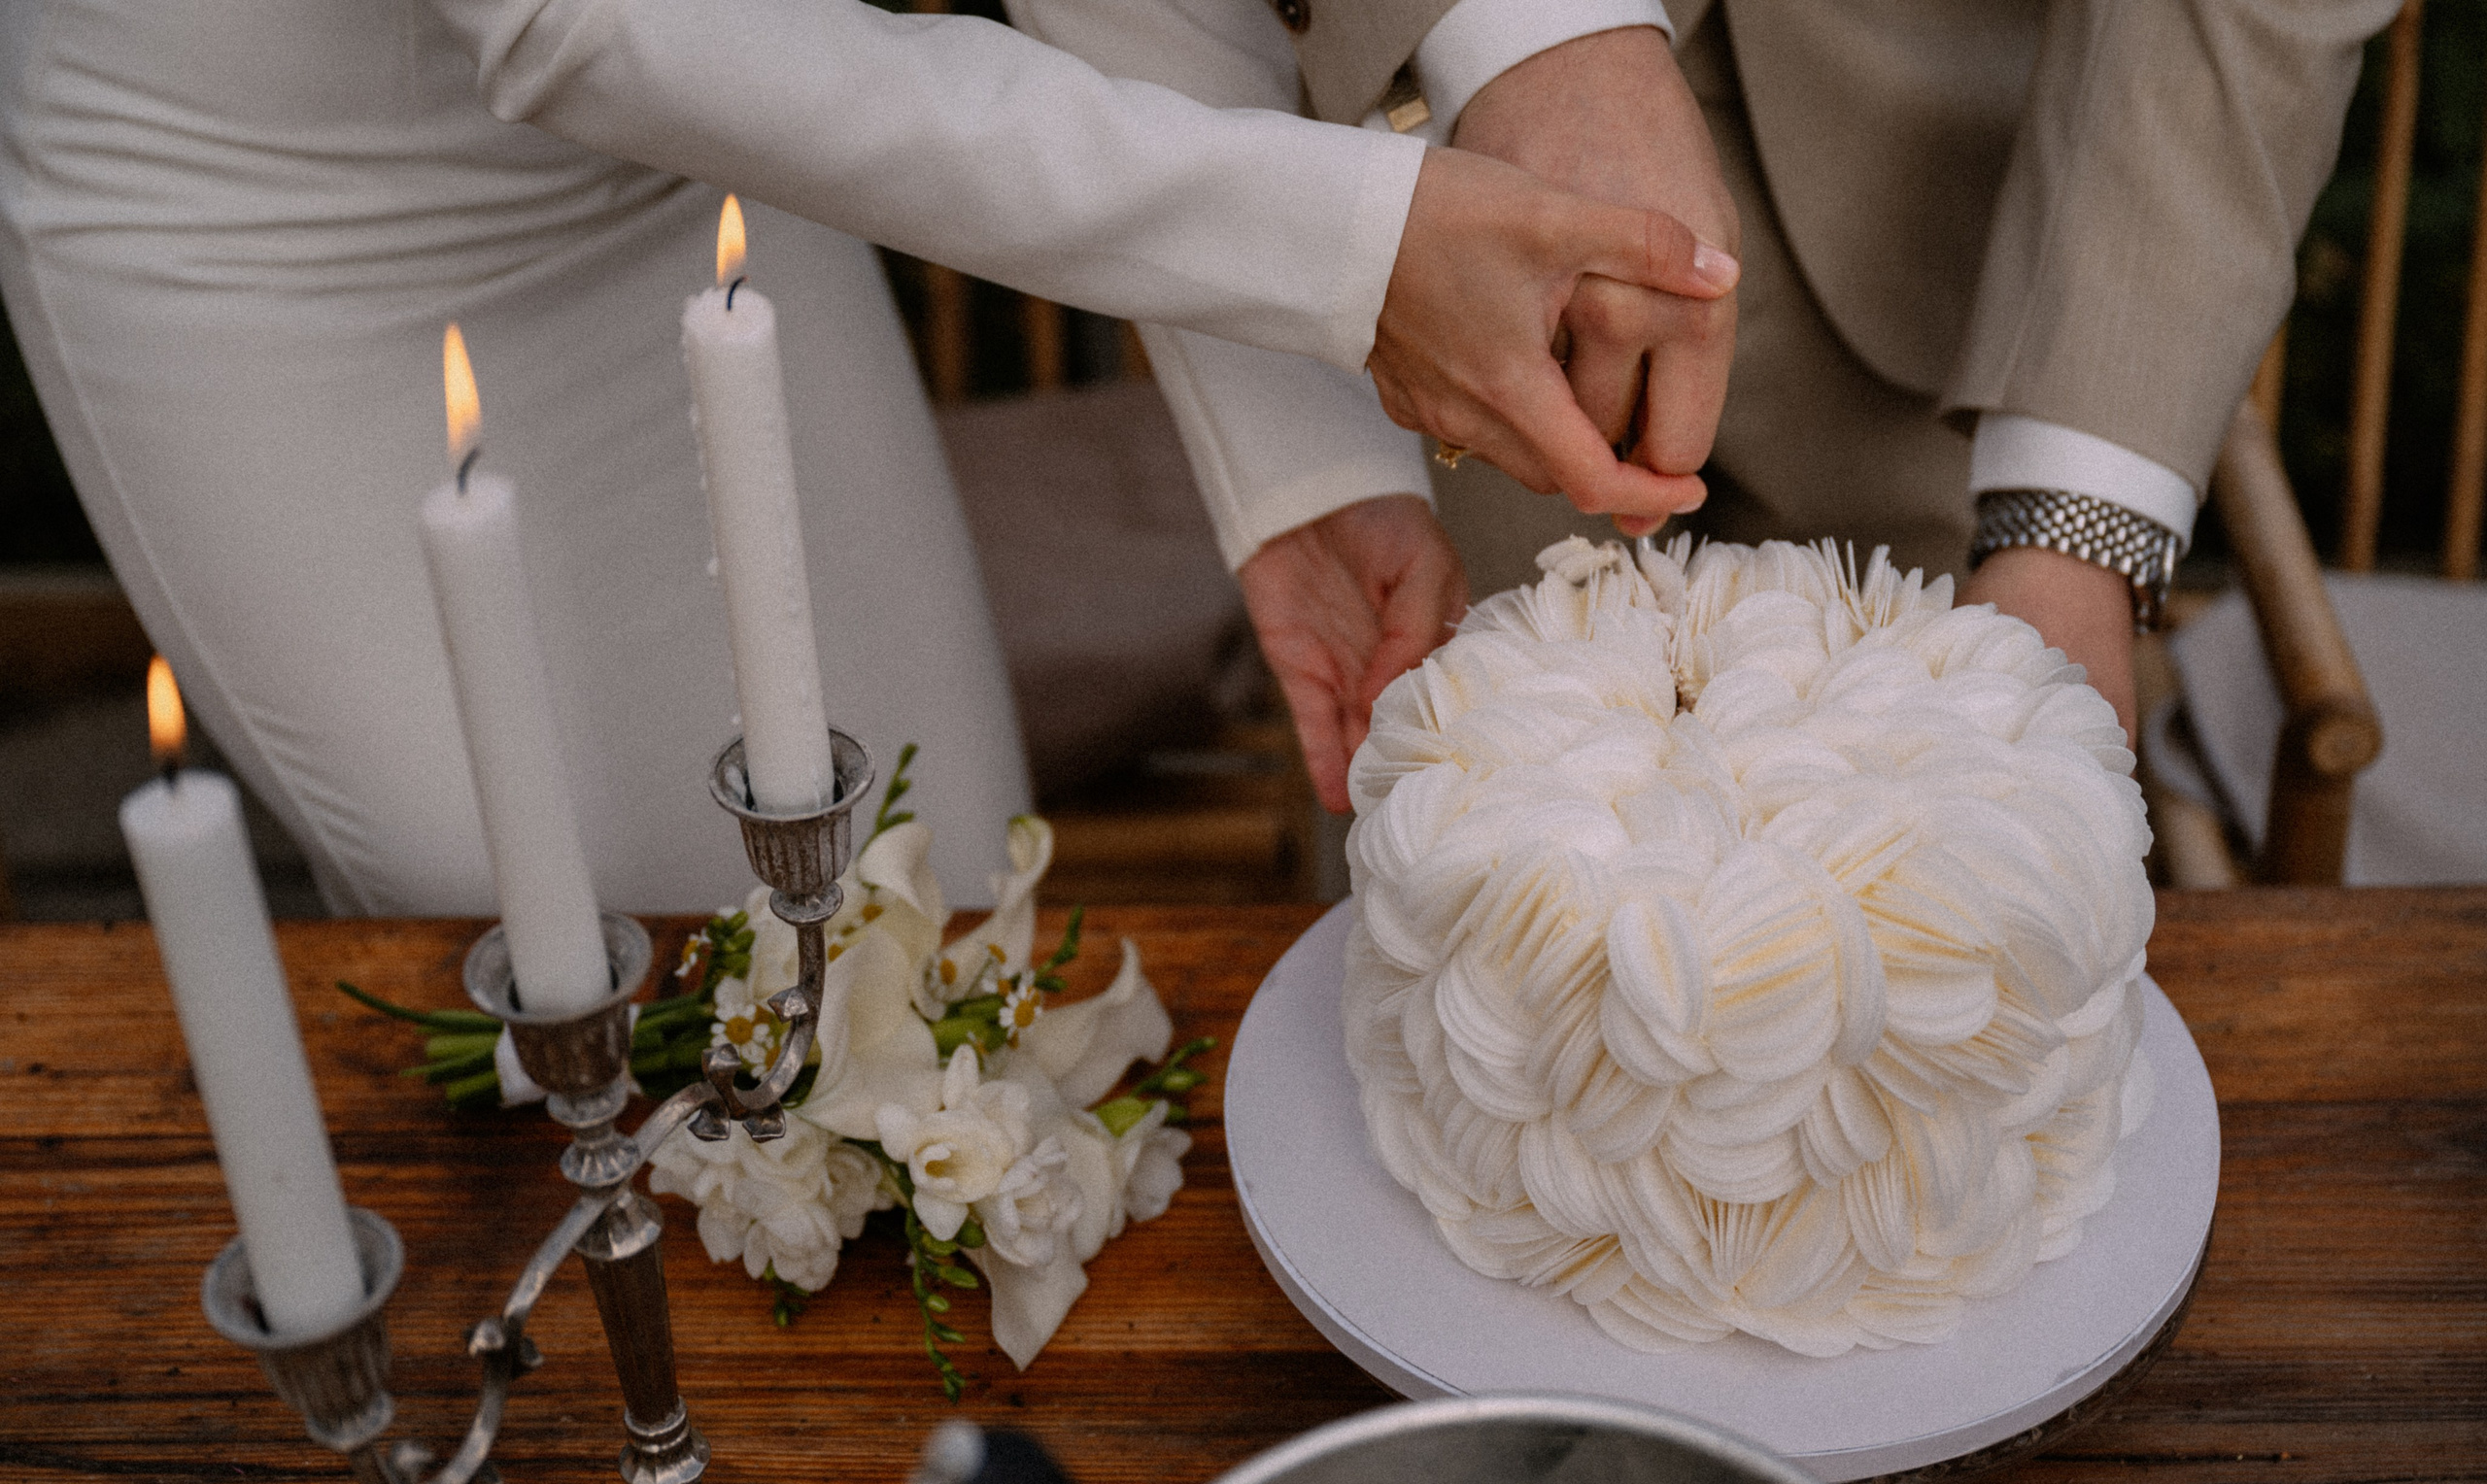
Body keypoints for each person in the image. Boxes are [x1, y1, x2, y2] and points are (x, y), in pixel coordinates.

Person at [0, 0, 1726, 913]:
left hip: (727, 150)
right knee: (534, 930)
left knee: (927, 882)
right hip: (272, 226)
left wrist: (1303, 463)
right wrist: (1350, 251)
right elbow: (582, 23)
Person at [1012, 0, 2395, 803]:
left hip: (1986, 257)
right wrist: (1518, 31)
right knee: (1455, 876)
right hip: (1431, 171)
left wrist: (2074, 516)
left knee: (1937, 913)